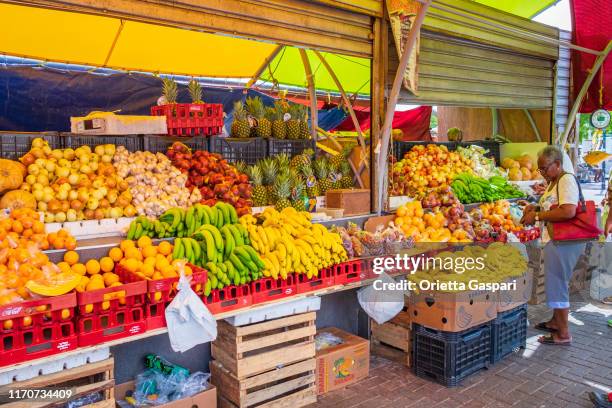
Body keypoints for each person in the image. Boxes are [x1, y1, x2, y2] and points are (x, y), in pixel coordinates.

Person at [521, 146, 586, 345]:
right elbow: (554, 206)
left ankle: (564, 333)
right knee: (555, 283)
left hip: (564, 242)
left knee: (557, 285)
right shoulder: (554, 181)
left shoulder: (565, 180)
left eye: (544, 169)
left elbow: (568, 211)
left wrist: (538, 215)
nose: (541, 173)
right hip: (556, 240)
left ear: (557, 164)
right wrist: (537, 207)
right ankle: (556, 321)